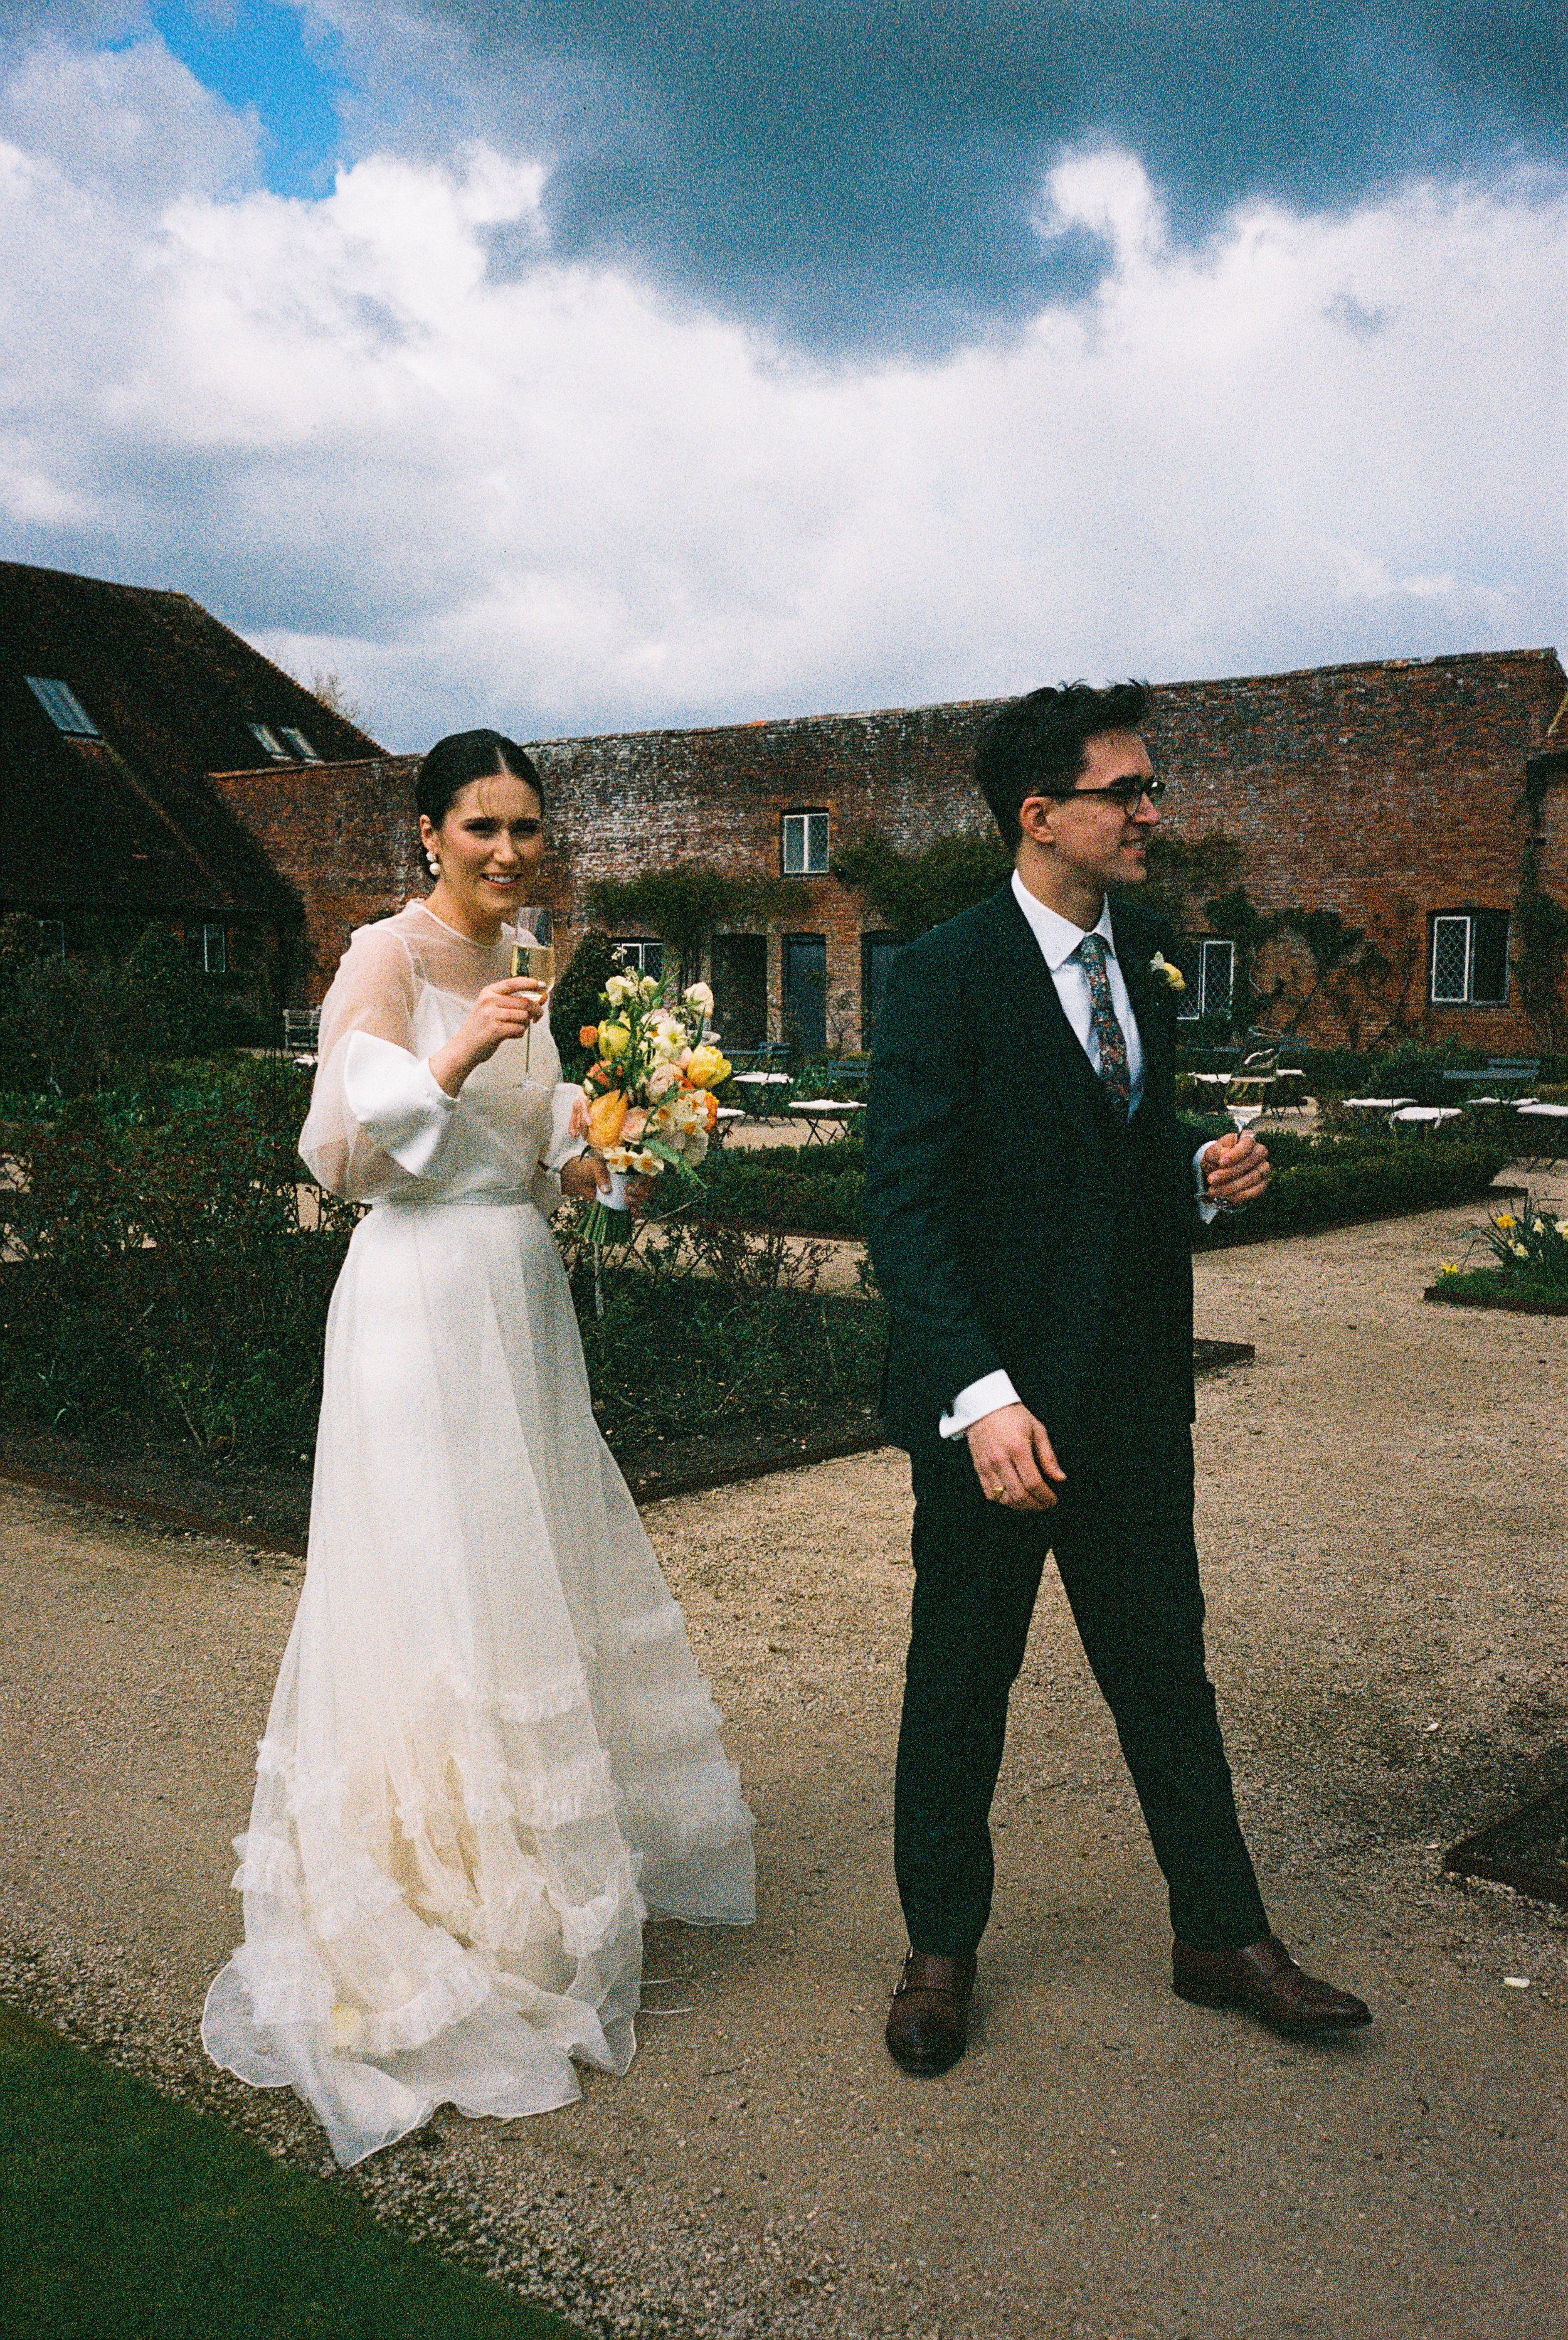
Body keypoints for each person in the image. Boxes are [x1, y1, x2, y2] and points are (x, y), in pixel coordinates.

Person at [203, 729, 755, 2166]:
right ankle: (423, 1891)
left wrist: (606, 1142)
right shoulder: (386, 954)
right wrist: (455, 1045)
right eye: (482, 828)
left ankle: (519, 1867)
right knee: (432, 1569)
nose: (508, 852)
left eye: (525, 828)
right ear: (429, 832)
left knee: (522, 1563)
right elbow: (337, 1151)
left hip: (515, 1290)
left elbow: (526, 1140)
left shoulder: (535, 954)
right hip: (416, 1298)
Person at [865, 681, 1370, 2076]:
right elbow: (905, 1212)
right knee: (959, 1674)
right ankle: (939, 1950)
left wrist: (1197, 1172)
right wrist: (980, 1396)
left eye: (1151, 788)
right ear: (1041, 817)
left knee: (1164, 1666)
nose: (1152, 812)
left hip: (1136, 1395)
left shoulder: (1140, 946)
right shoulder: (945, 976)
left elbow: (1111, 1155)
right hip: (995, 1422)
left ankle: (1220, 1934)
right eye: (1125, 791)